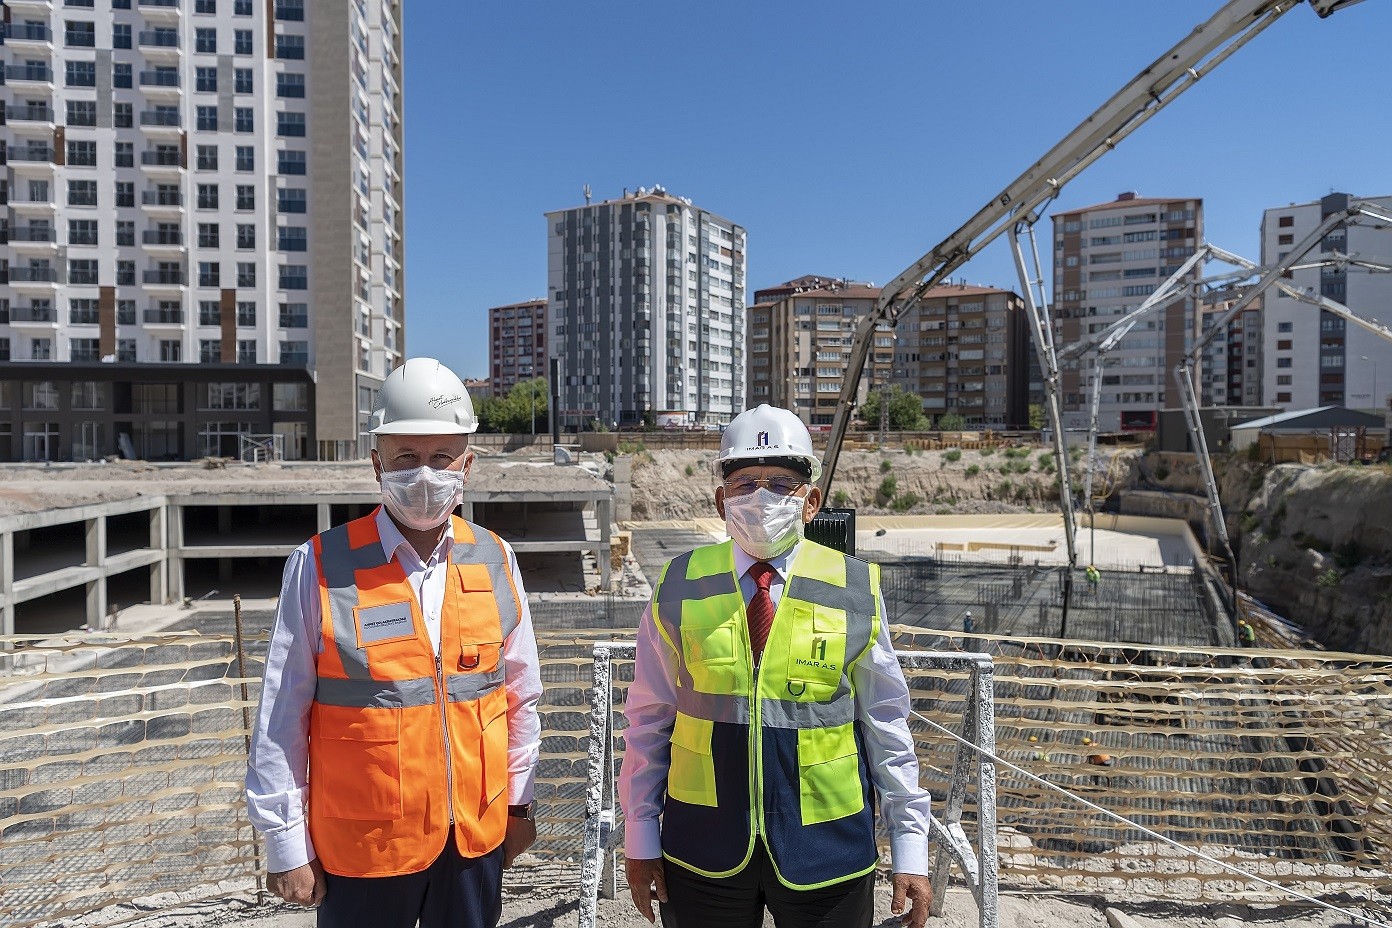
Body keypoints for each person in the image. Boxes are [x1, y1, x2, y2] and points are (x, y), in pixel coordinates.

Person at [245, 358, 543, 928]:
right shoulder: (320, 565)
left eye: (441, 458)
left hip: (472, 842)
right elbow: (281, 714)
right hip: (365, 848)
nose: (424, 473)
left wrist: (520, 802)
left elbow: (519, 697)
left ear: (468, 465)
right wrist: (285, 841)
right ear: (377, 462)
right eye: (407, 456)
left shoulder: (496, 558)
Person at [619, 404, 934, 928]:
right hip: (702, 846)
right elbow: (648, 721)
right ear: (722, 501)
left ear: (810, 502)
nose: (761, 498)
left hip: (827, 851)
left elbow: (887, 725)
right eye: (745, 483)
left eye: (781, 484)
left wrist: (909, 847)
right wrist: (640, 836)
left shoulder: (855, 588)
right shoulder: (678, 584)